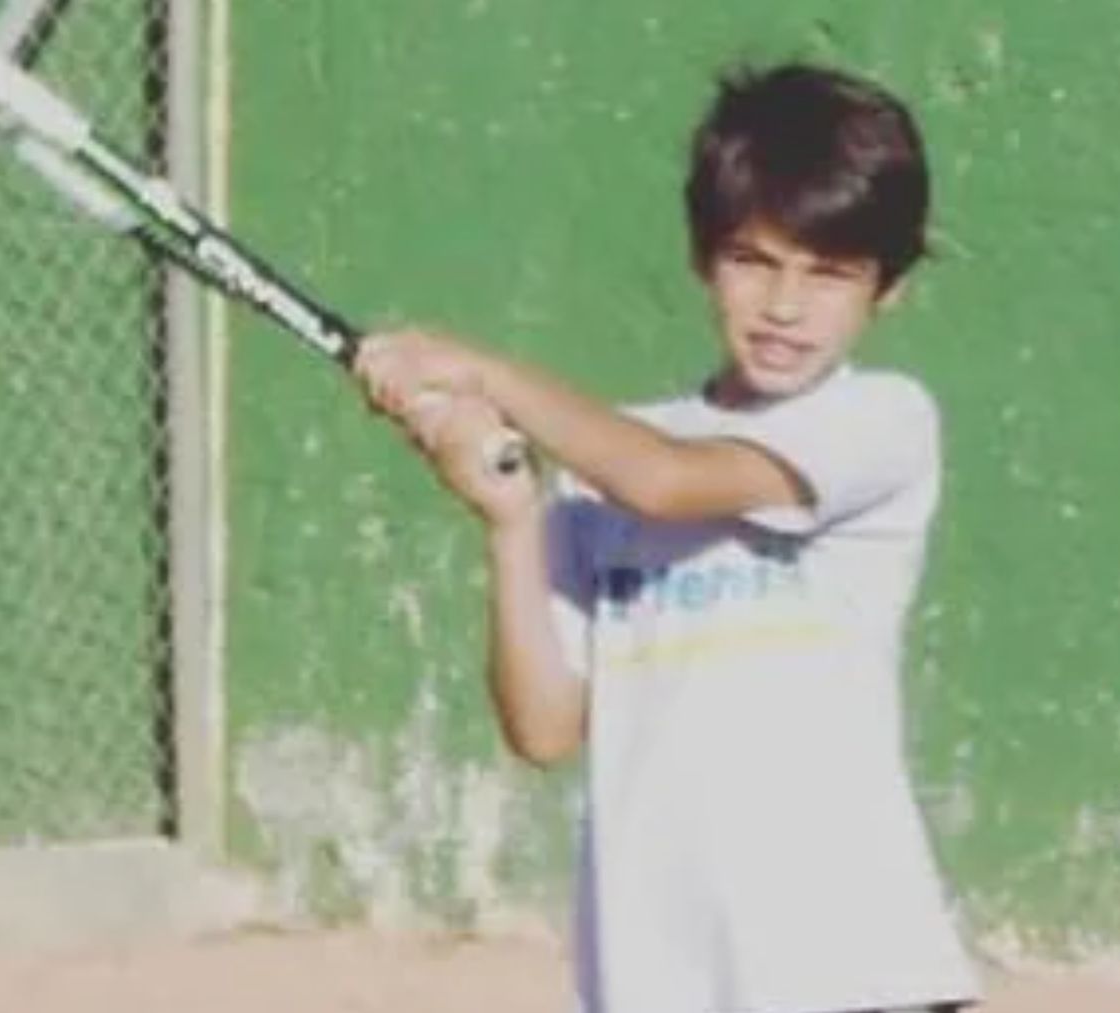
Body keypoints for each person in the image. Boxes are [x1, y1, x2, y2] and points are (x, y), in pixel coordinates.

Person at [355, 62, 981, 1013]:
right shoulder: (598, 464)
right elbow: (545, 726)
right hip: (661, 978)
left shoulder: (882, 422)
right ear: (701, 255)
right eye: (753, 260)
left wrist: (474, 365)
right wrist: (513, 520)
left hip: (857, 974)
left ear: (885, 290)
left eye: (829, 273)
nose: (784, 305)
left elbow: (667, 480)